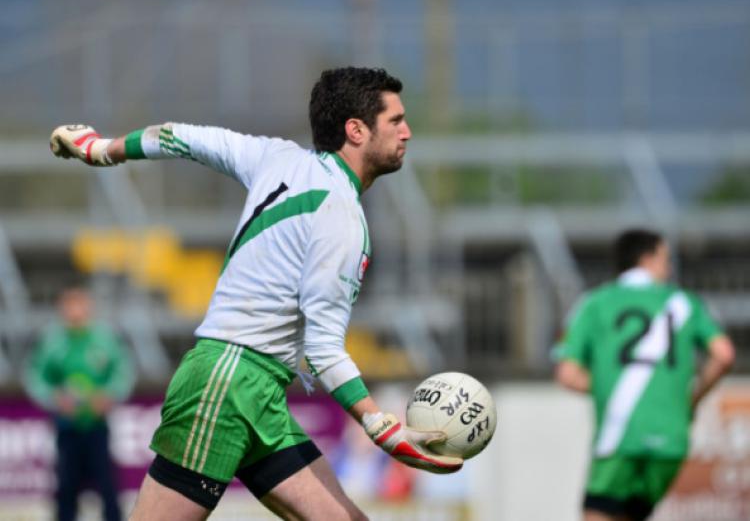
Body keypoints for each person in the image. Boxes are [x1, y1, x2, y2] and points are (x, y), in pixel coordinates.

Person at [49, 67, 462, 521]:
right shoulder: (342, 218)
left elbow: (176, 136)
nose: (407, 132)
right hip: (228, 383)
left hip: (257, 391)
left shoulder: (276, 157)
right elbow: (324, 349)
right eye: (396, 121)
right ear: (356, 130)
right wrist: (380, 425)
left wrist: (100, 150)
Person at [555, 229, 735, 521]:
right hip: (672, 439)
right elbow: (724, 354)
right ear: (647, 259)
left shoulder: (594, 303)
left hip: (620, 434)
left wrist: (610, 386)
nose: (670, 267)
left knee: (600, 513)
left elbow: (567, 374)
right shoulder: (685, 302)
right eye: (665, 259)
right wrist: (692, 398)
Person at [23, 286, 134, 521]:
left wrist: (108, 395)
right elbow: (36, 376)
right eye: (70, 306)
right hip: (67, 427)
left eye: (80, 306)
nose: (75, 312)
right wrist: (54, 398)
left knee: (107, 485)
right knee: (66, 486)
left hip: (97, 426)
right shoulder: (53, 341)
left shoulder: (104, 338)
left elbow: (122, 372)